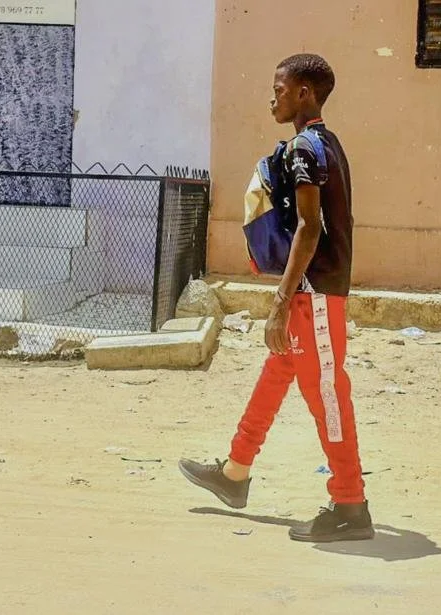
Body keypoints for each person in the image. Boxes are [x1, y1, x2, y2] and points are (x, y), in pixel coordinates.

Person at [179, 53, 373, 543]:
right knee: (277, 373)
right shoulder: (323, 143)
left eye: (281, 90)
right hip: (314, 290)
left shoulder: (307, 150)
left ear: (305, 93)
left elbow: (310, 229)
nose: (274, 98)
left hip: (315, 293)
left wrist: (281, 302)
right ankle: (236, 472)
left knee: (328, 396)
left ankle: (350, 505)